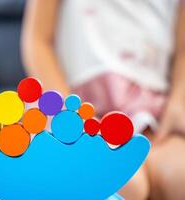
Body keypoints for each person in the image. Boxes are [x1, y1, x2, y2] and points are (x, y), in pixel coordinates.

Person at [21, 1, 185, 199]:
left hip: (155, 116)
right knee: (122, 184)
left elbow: (182, 52)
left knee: (179, 178)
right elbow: (37, 40)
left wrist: (178, 102)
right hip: (76, 109)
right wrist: (65, 113)